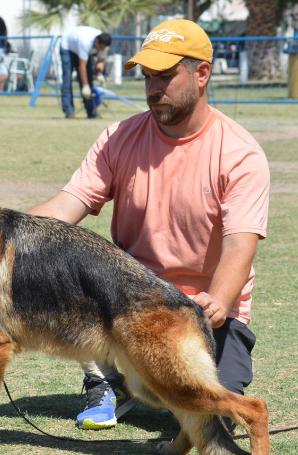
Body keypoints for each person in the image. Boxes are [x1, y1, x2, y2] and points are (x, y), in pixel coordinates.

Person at [28, 19, 270, 431]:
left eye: (165, 76)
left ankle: (136, 378)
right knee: (71, 265)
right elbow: (67, 206)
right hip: (130, 310)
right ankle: (107, 379)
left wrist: (217, 299)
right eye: (146, 78)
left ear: (202, 73)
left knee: (209, 421)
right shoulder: (118, 138)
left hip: (206, 314)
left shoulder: (240, 154)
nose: (153, 88)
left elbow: (238, 246)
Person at [60, 26, 111, 119]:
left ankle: (91, 111)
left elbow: (101, 60)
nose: (101, 49)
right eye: (101, 47)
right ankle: (69, 111)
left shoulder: (104, 44)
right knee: (67, 79)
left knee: (89, 77)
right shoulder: (85, 42)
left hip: (78, 45)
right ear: (97, 42)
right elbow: (82, 66)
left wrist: (99, 73)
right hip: (67, 47)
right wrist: (85, 86)